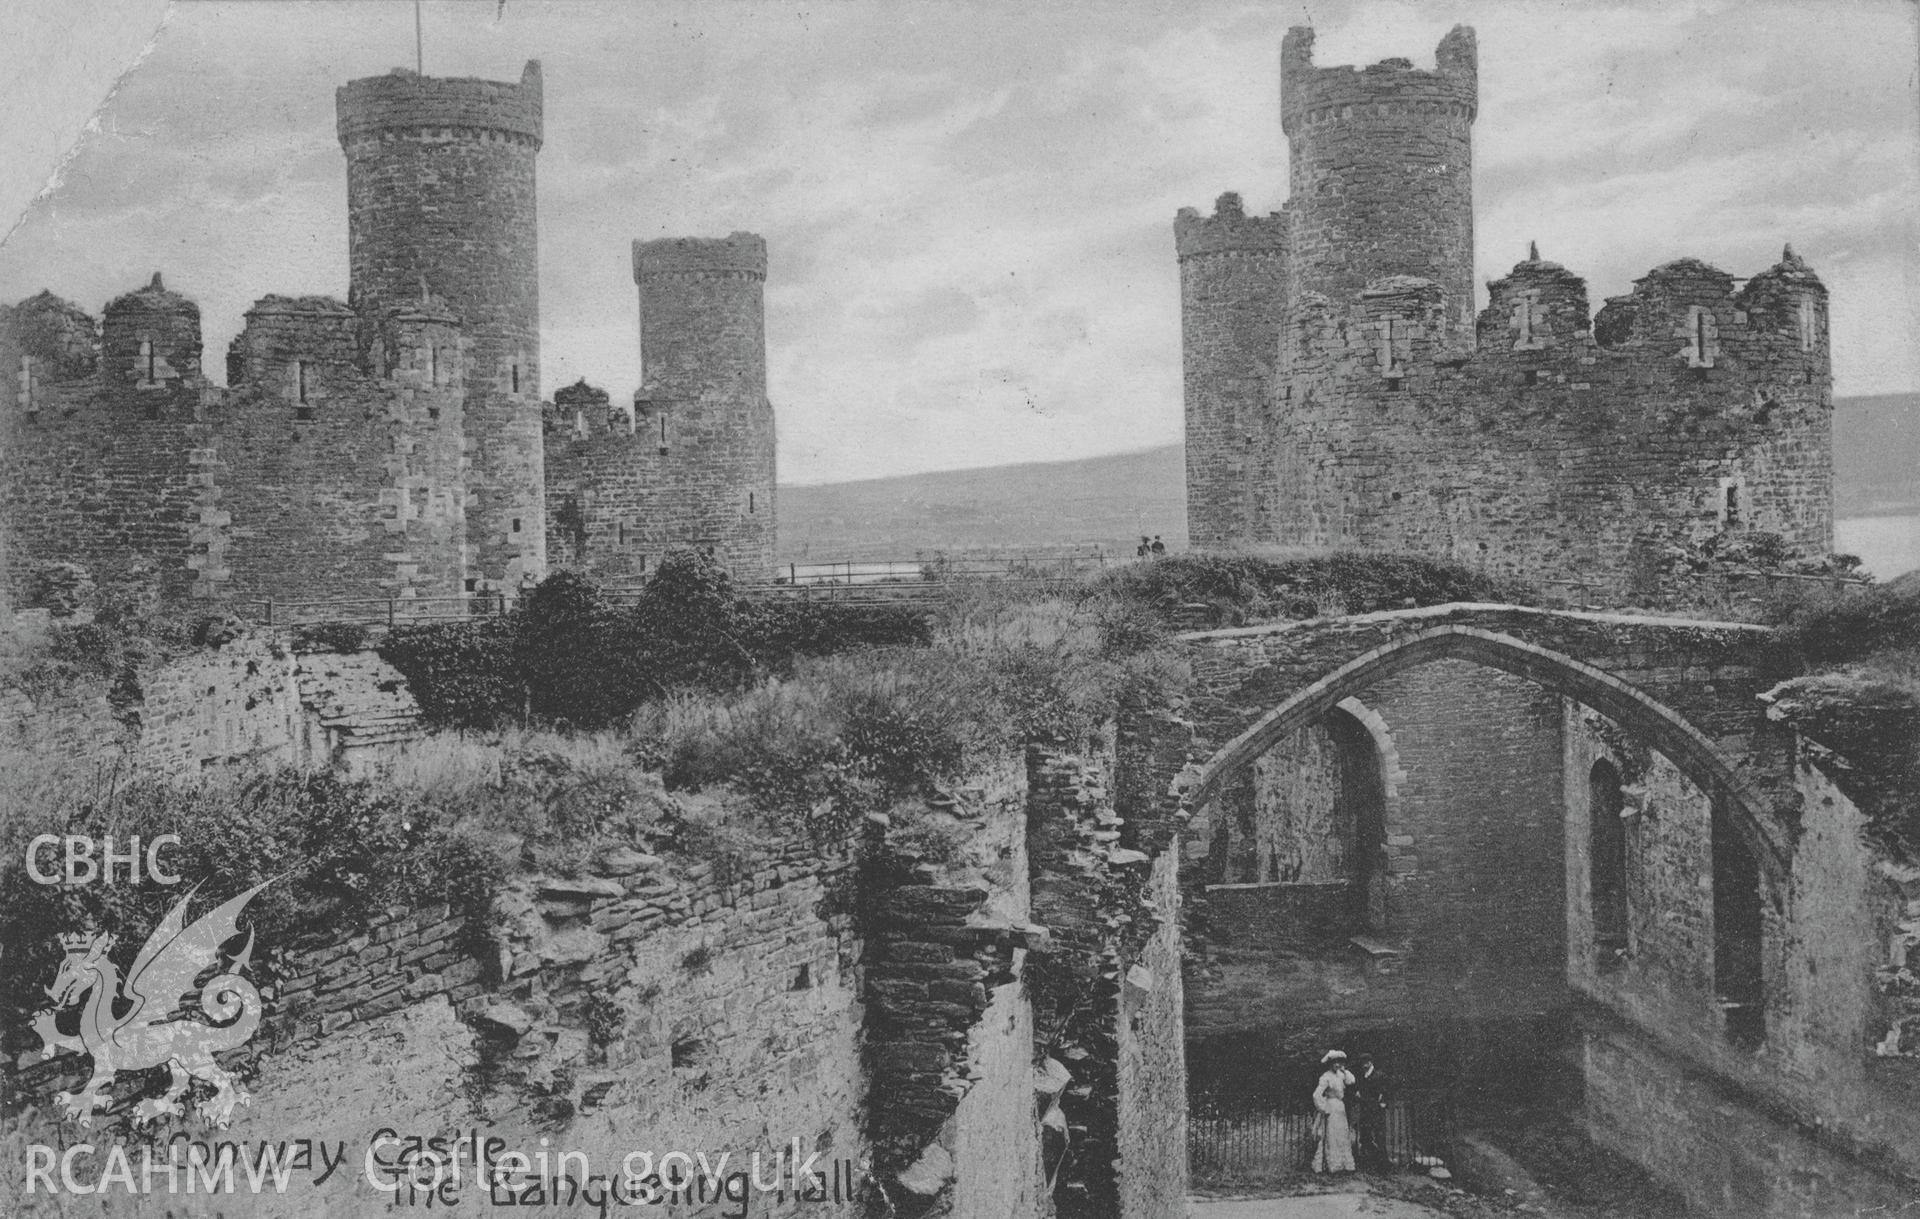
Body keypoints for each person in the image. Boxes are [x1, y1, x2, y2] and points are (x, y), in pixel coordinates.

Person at [1311, 1050, 1356, 1174]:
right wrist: (1323, 1108)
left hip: (1340, 1108)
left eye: (1339, 1062)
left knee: (1342, 1135)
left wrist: (1344, 1070)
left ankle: (1344, 1165)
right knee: (1332, 1136)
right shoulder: (1326, 1077)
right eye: (1335, 1062)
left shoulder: (1341, 1075)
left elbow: (1352, 1081)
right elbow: (1316, 1095)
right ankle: (1332, 1165)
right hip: (1331, 1107)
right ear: (1330, 1063)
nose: (1337, 1065)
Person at [1348, 1052, 1389, 1169]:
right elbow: (1357, 1091)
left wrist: (1383, 1103)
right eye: (1363, 1063)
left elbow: (1386, 1091)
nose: (1365, 1065)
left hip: (1376, 1110)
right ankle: (1369, 1162)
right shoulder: (1361, 1076)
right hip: (1365, 1110)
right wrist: (1357, 1095)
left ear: (1371, 1062)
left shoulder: (1380, 1075)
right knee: (1365, 1136)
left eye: (1367, 1062)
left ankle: (1383, 1165)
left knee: (1379, 1136)